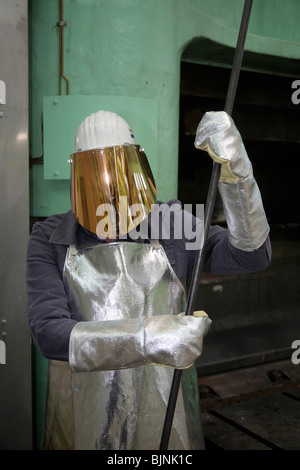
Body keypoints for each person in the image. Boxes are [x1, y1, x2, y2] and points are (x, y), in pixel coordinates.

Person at [26, 109, 271, 450]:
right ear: (80, 179)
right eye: (99, 186)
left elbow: (250, 255)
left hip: (168, 419)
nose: (112, 203)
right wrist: (149, 337)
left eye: (122, 185)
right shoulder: (49, 237)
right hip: (83, 421)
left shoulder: (171, 225)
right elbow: (48, 333)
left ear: (137, 174)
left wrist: (238, 177)